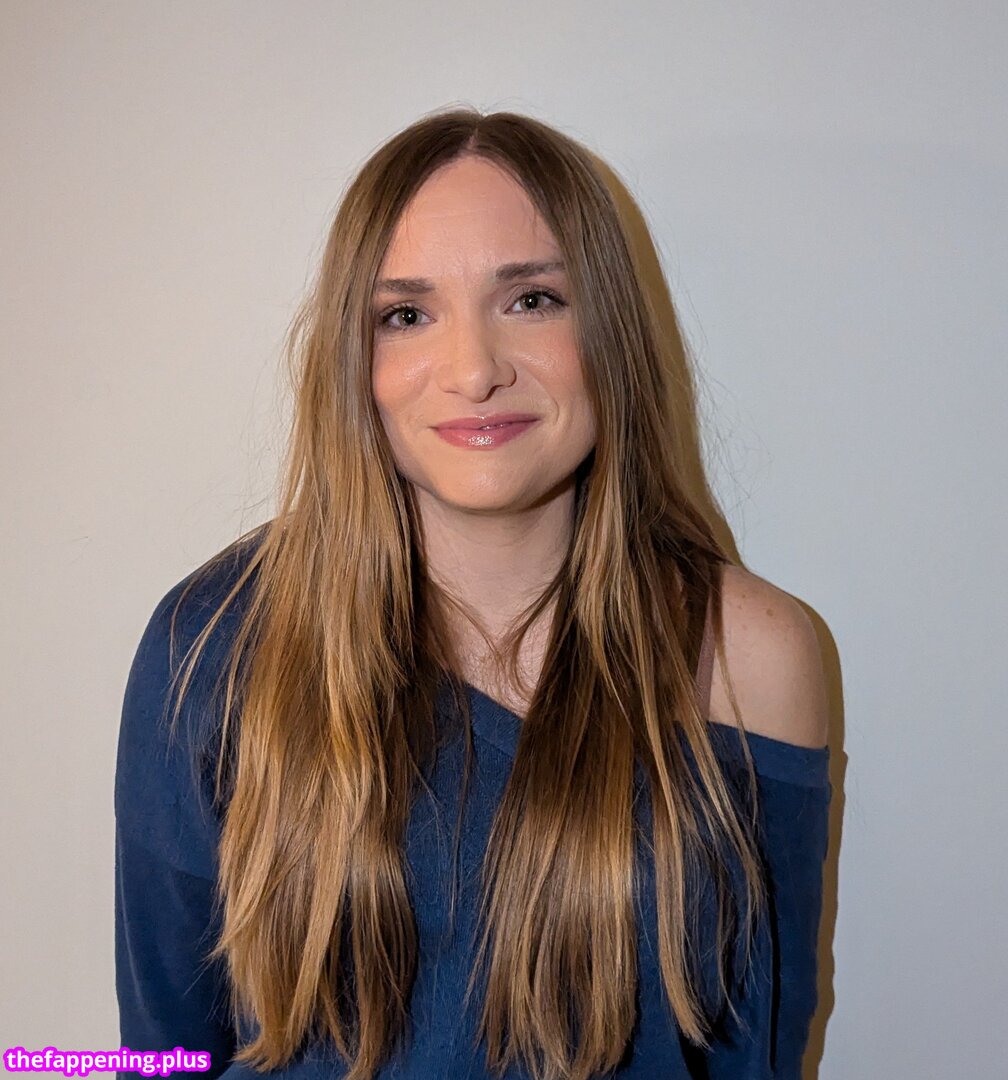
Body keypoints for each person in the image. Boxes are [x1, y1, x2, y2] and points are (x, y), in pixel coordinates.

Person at [115, 107, 832, 1080]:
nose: (474, 371)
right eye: (407, 315)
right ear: (354, 359)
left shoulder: (749, 657)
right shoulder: (213, 642)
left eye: (532, 300)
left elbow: (757, 1056)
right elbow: (162, 1055)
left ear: (609, 332)